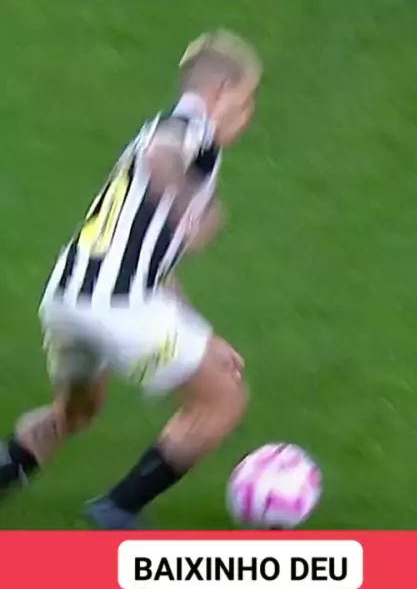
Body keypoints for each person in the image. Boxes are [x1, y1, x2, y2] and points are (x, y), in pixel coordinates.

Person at [0, 29, 262, 529]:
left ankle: (9, 467)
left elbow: (156, 266)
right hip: (120, 307)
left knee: (74, 413)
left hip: (68, 298)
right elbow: (161, 156)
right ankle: (117, 509)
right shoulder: (189, 128)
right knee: (225, 398)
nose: (248, 115)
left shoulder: (167, 133)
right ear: (219, 92)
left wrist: (203, 335)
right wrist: (192, 207)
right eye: (245, 101)